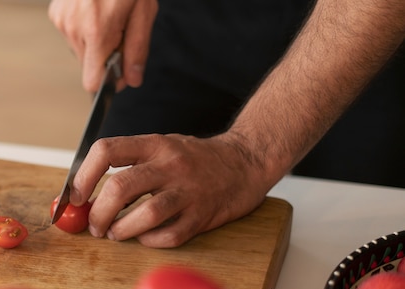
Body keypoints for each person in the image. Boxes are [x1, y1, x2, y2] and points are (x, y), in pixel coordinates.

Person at [48, 0, 405, 248]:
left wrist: (251, 153)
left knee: (355, 240)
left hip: (366, 31)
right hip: (180, 20)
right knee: (129, 202)